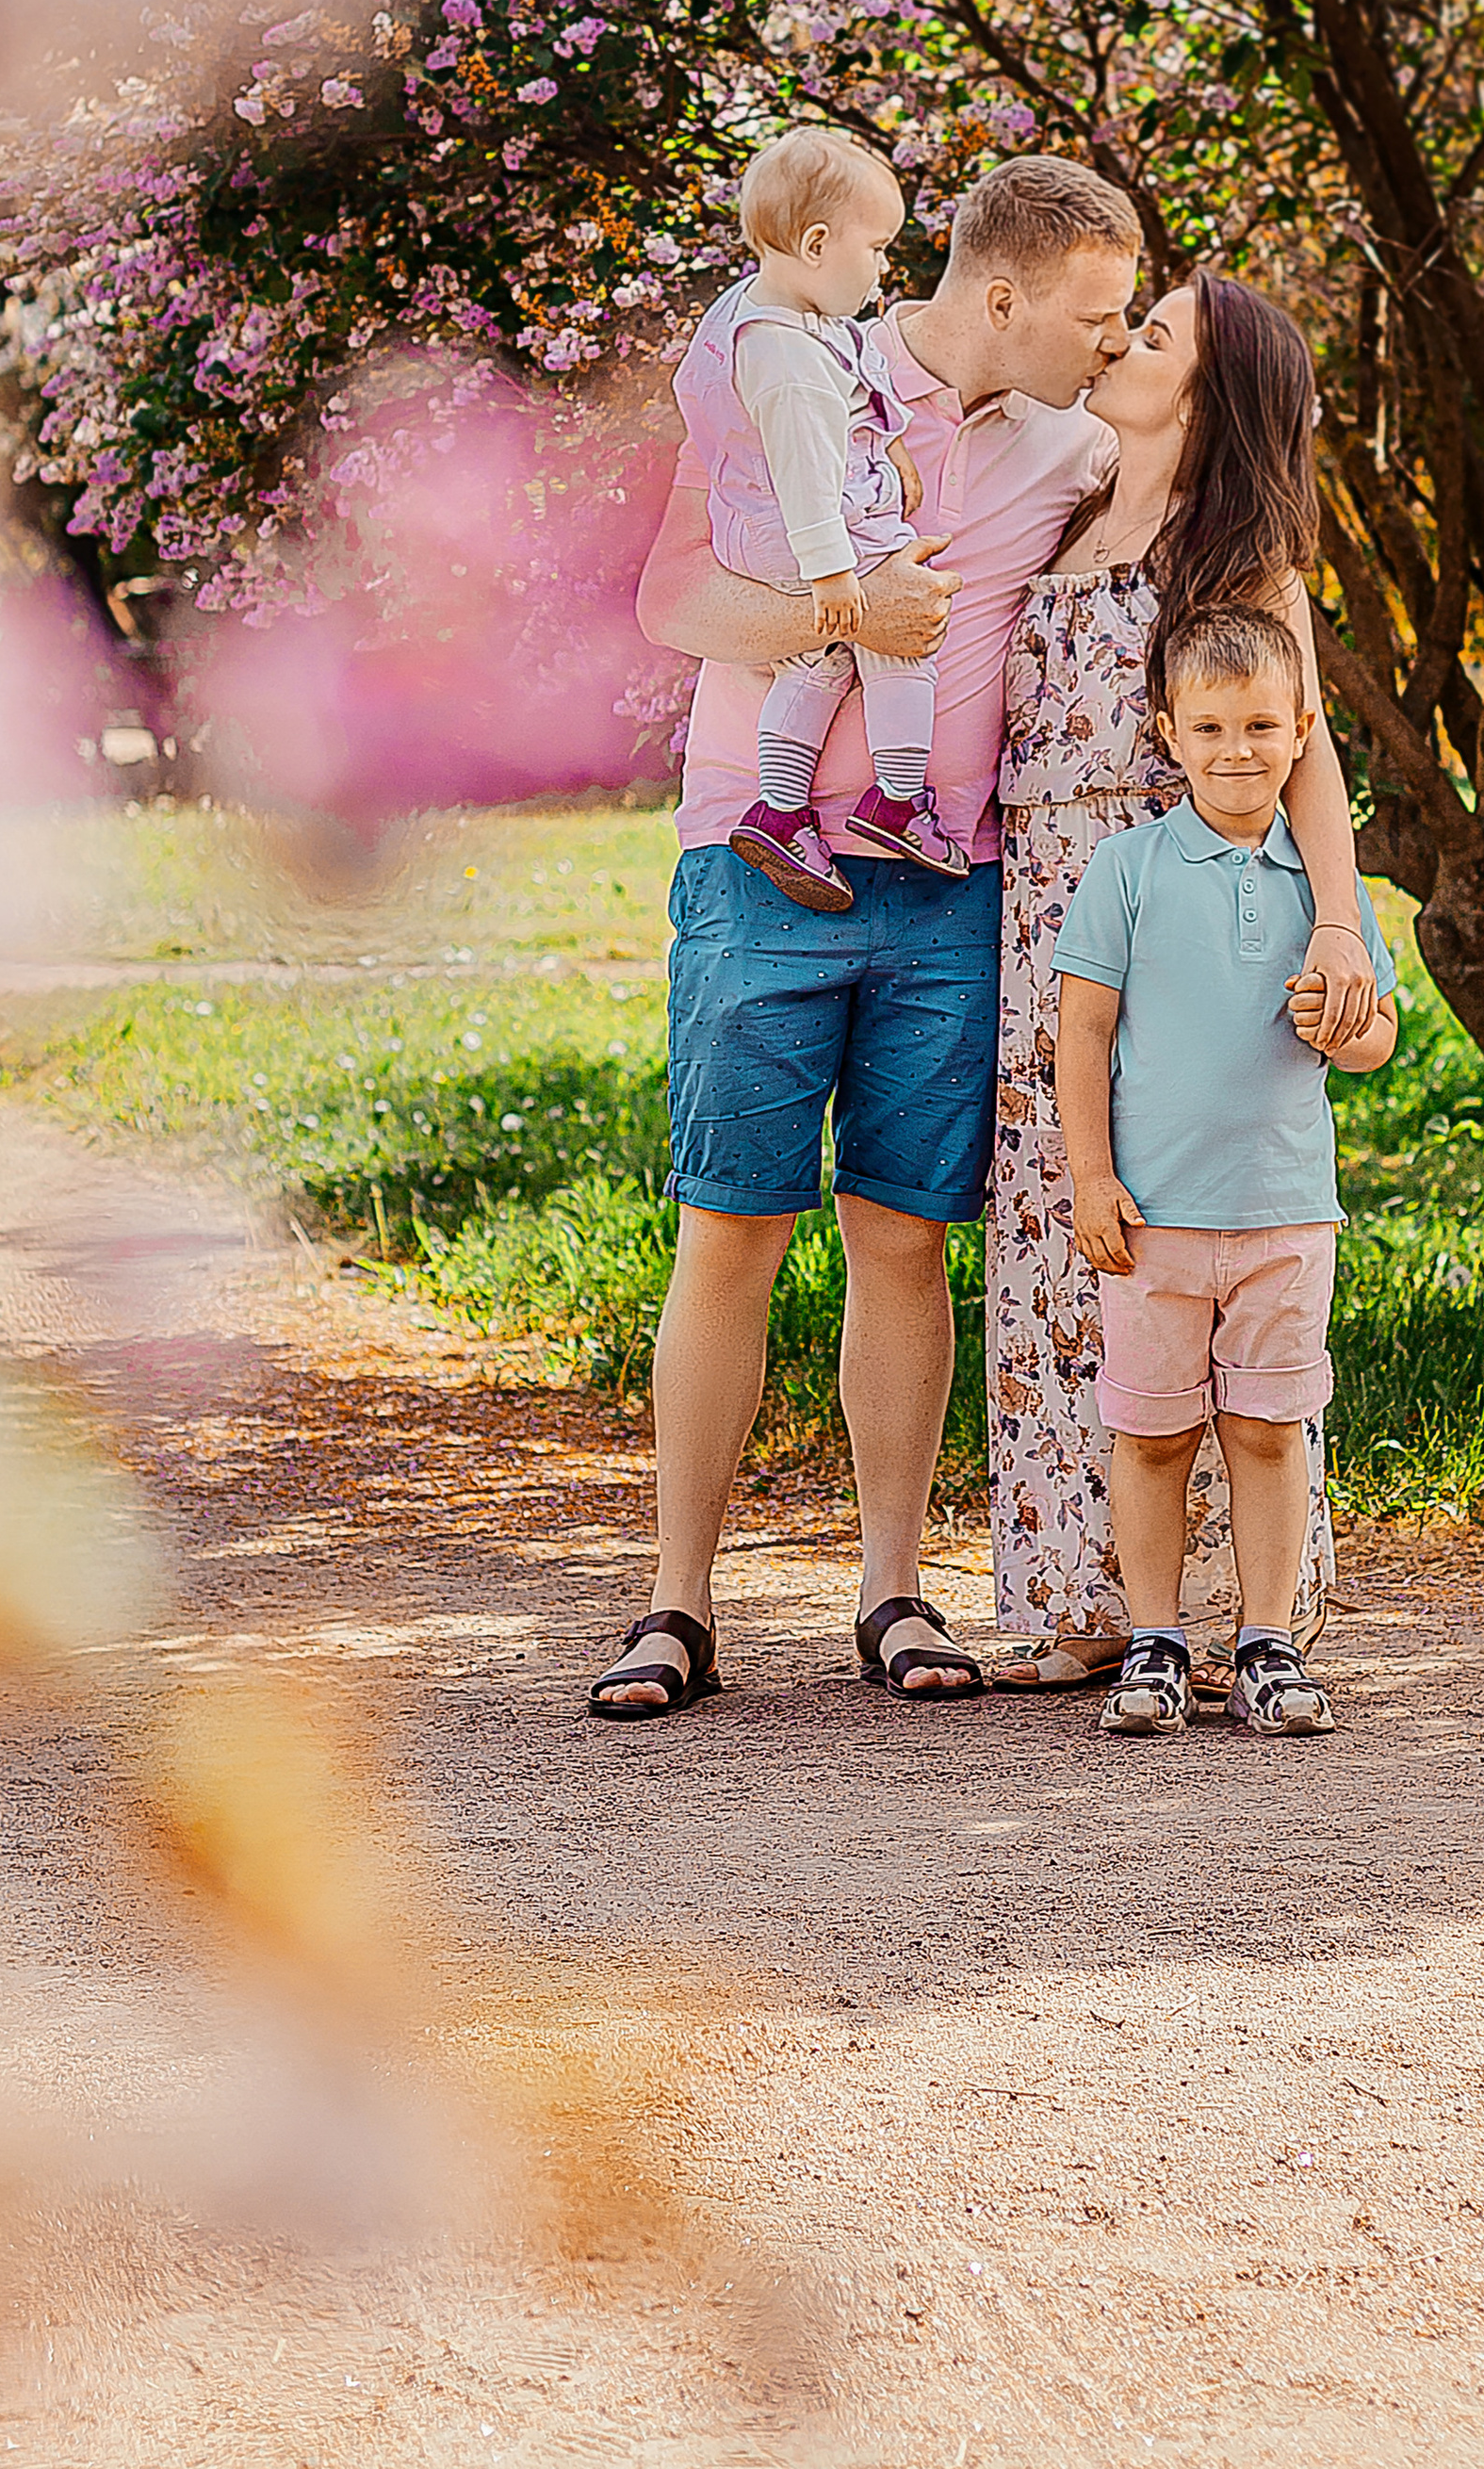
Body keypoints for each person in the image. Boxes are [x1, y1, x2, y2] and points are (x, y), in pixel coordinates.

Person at [587, 154, 1145, 1717]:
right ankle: (675, 1608)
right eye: (1093, 315)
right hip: (759, 864)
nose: (1109, 342)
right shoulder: (802, 356)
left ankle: (893, 1592)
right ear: (1004, 293)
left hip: (944, 883)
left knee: (903, 1238)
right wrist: (846, 620)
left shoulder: (1072, 448)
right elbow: (674, 598)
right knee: (734, 1226)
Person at [987, 270, 1379, 1693]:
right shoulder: (1063, 508)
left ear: (1210, 395)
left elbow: (1310, 746)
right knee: (1063, 1234)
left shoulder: (1239, 558)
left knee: (1197, 1228)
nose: (1118, 343)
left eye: (1153, 336)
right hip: (1045, 918)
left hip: (1189, 923)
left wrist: (1335, 924)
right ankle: (1085, 1596)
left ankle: (1240, 1611)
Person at [1052, 601, 1397, 1738]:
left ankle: (1266, 1641)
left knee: (1265, 1429)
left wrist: (1339, 1023)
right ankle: (1152, 1640)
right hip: (1152, 1217)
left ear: (1302, 729)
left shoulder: (1326, 891)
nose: (1236, 749)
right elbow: (1085, 1033)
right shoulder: (1129, 867)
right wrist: (1089, 1176)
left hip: (1285, 1212)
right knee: (1151, 1434)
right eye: (1209, 728)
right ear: (1169, 732)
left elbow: (1378, 1036)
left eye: (1259, 724)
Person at [670, 125, 967, 910]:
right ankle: (899, 800)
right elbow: (805, 476)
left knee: (822, 659)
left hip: (788, 524)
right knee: (901, 637)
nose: (882, 268)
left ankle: (778, 811)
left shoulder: (787, 309)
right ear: (815, 243)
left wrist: (894, 444)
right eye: (875, 248)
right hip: (803, 533)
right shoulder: (787, 361)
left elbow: (857, 391)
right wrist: (837, 580)